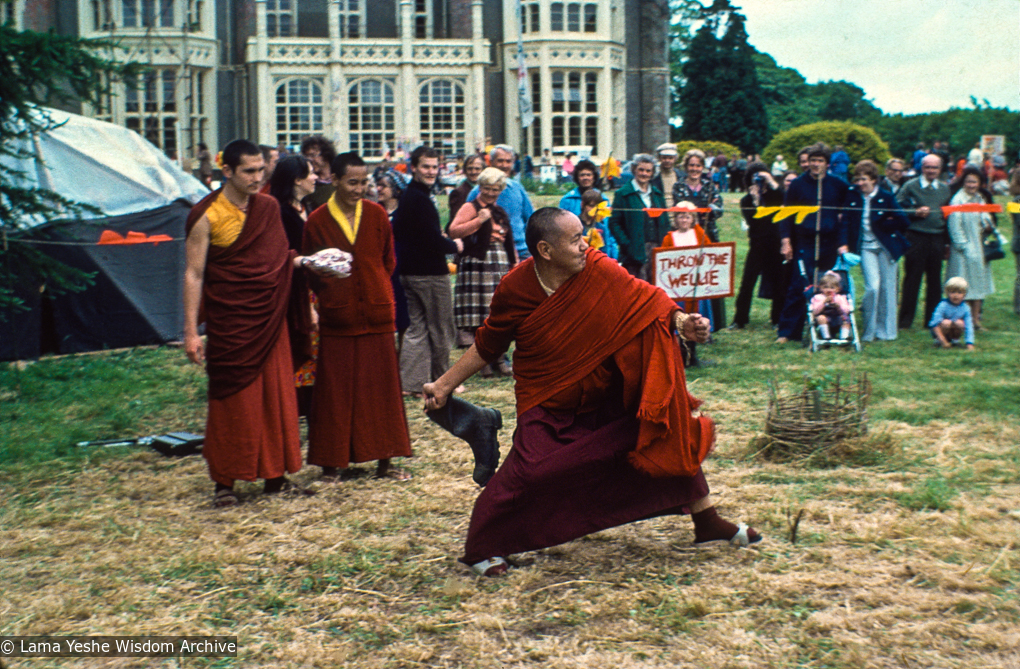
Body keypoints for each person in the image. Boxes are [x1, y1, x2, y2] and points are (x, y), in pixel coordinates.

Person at [423, 207, 762, 576]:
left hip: (606, 392)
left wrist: (682, 322)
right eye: (575, 239)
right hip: (548, 397)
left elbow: (647, 300)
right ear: (546, 250)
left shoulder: (599, 268)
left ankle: (706, 520)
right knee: (529, 472)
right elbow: (489, 344)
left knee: (663, 429)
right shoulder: (516, 288)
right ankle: (482, 549)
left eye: (583, 236)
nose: (586, 245)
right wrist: (444, 385)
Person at [183, 139, 311, 507]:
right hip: (232, 322)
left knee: (276, 399)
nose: (258, 178)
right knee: (234, 401)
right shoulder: (207, 215)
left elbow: (276, 260)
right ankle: (225, 482)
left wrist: (307, 263)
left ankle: (276, 475)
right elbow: (194, 274)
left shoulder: (268, 208)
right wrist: (191, 332)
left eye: (261, 170)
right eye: (249, 171)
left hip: (270, 318)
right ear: (228, 171)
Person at [302, 151, 413, 481]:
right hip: (338, 316)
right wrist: (333, 297)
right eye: (352, 182)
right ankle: (331, 464)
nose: (360, 188)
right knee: (334, 392)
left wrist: (374, 287)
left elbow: (387, 262)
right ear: (334, 180)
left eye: (365, 181)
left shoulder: (377, 215)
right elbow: (310, 268)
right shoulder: (317, 220)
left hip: (377, 314)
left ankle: (385, 461)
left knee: (382, 390)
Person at [392, 146, 464, 396]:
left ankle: (411, 384)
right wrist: (453, 245)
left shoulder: (410, 195)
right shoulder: (419, 199)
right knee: (441, 328)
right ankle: (443, 381)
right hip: (429, 274)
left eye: (435, 167)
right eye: (426, 166)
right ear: (414, 167)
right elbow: (430, 240)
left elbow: (410, 233)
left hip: (409, 272)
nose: (431, 171)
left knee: (417, 328)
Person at [776, 143, 849, 344]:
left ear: (827, 163)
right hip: (804, 242)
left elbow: (846, 216)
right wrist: (786, 241)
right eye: (813, 161)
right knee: (799, 285)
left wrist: (843, 243)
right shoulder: (798, 184)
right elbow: (786, 214)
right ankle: (788, 332)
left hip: (829, 243)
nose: (815, 164)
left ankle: (832, 327)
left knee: (830, 286)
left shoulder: (838, 185)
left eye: (820, 161)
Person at [447, 166, 516, 371]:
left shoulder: (500, 210)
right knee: (479, 314)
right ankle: (482, 362)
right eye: (487, 188)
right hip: (477, 263)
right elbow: (453, 230)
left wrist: (514, 262)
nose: (491, 193)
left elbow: (509, 239)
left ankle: (500, 358)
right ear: (480, 187)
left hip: (498, 260)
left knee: (496, 311)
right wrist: (479, 220)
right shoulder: (471, 206)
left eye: (495, 189)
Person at [269, 154, 320, 416]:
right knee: (299, 346)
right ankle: (295, 404)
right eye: (310, 173)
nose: (315, 178)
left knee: (314, 350)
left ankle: (309, 404)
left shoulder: (306, 208)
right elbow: (279, 255)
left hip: (311, 286)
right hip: (293, 291)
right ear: (297, 180)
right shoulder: (279, 212)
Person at [843, 160, 911, 342]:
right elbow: (846, 222)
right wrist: (843, 243)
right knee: (873, 287)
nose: (860, 183)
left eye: (864, 179)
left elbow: (903, 220)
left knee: (888, 289)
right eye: (857, 179)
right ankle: (869, 331)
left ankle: (886, 332)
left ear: (874, 180)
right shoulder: (853, 196)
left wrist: (883, 223)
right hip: (865, 247)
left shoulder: (886, 196)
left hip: (886, 247)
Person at [896, 154, 952, 329]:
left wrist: (947, 242)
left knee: (935, 281)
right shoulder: (910, 186)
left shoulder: (945, 189)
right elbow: (897, 207)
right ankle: (905, 320)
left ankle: (932, 320)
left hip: (937, 238)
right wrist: (914, 212)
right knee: (912, 279)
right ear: (921, 168)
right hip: (916, 237)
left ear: (940, 169)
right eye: (927, 167)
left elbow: (949, 217)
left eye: (935, 168)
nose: (931, 171)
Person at [673, 149, 725, 329]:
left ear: (703, 167)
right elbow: (679, 209)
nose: (694, 168)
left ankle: (709, 322)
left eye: (698, 165)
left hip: (707, 235)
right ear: (686, 167)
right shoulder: (679, 186)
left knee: (707, 278)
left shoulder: (710, 185)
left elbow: (719, 209)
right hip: (684, 237)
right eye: (691, 165)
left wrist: (709, 209)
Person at [732, 163, 788, 329]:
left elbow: (786, 200)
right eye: (755, 179)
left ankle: (777, 319)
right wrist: (756, 201)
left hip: (776, 243)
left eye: (761, 178)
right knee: (747, 283)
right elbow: (755, 222)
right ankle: (739, 319)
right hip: (757, 244)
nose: (759, 182)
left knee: (779, 282)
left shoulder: (776, 196)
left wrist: (772, 182)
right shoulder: (746, 200)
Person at [661, 201, 713, 368]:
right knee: (682, 320)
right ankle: (682, 356)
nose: (684, 219)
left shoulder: (699, 234)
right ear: (675, 219)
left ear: (692, 218)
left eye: (687, 216)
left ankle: (694, 355)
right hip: (678, 287)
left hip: (695, 286)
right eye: (680, 216)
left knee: (696, 318)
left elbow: (710, 254)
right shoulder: (669, 238)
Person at [946, 166, 995, 329]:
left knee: (978, 286)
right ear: (963, 182)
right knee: (963, 287)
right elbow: (954, 226)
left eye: (975, 182)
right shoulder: (958, 200)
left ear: (980, 183)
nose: (971, 185)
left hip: (979, 247)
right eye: (968, 182)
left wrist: (988, 226)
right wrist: (964, 247)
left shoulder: (980, 198)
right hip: (963, 251)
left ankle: (976, 320)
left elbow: (987, 219)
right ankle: (962, 320)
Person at [468, 145, 534, 260]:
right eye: (500, 161)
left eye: (508, 161)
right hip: (491, 253)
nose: (504, 165)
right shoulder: (477, 191)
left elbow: (530, 219)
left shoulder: (517, 188)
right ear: (491, 162)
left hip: (521, 250)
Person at [609, 153, 667, 281]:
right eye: (641, 169)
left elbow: (665, 220)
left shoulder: (657, 194)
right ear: (634, 169)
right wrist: (627, 245)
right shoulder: (623, 193)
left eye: (648, 171)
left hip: (657, 251)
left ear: (652, 173)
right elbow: (614, 223)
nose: (644, 174)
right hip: (633, 252)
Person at [372, 168, 412, 346]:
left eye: (383, 186)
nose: (379, 189)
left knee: (404, 317)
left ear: (395, 189)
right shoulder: (373, 212)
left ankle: (402, 357)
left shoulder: (405, 213)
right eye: (377, 185)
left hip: (402, 270)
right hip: (380, 271)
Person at [560, 159, 617, 259]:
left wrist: (613, 254)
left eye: (588, 175)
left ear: (594, 177)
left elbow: (609, 230)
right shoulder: (568, 199)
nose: (585, 178)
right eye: (582, 175)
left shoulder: (603, 199)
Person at [928, 277, 975, 350]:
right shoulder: (942, 305)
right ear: (947, 293)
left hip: (954, 329)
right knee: (946, 322)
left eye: (959, 293)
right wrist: (944, 342)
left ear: (964, 294)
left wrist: (969, 343)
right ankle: (938, 341)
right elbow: (934, 324)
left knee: (960, 323)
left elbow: (969, 326)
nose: (956, 295)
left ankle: (955, 340)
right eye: (952, 292)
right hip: (941, 330)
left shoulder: (965, 308)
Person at [810, 272, 851, 340]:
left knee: (846, 320)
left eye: (832, 288)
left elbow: (847, 311)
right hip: (825, 318)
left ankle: (844, 337)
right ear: (820, 288)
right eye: (825, 287)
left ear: (837, 289)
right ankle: (826, 337)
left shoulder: (840, 298)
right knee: (821, 318)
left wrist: (839, 305)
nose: (829, 290)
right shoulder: (818, 297)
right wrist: (823, 303)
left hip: (838, 317)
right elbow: (815, 311)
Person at [300, 135, 337, 210]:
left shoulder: (341, 179)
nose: (310, 160)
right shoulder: (308, 184)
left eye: (313, 155)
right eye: (306, 156)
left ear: (326, 155)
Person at [450, 154, 485, 221]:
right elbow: (455, 221)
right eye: (470, 169)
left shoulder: (486, 190)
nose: (473, 172)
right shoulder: (458, 192)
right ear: (465, 171)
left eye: (477, 169)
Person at [651, 143, 682, 208]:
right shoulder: (653, 177)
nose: (667, 160)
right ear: (659, 158)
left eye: (670, 158)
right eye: (664, 158)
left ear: (675, 159)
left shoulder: (681, 176)